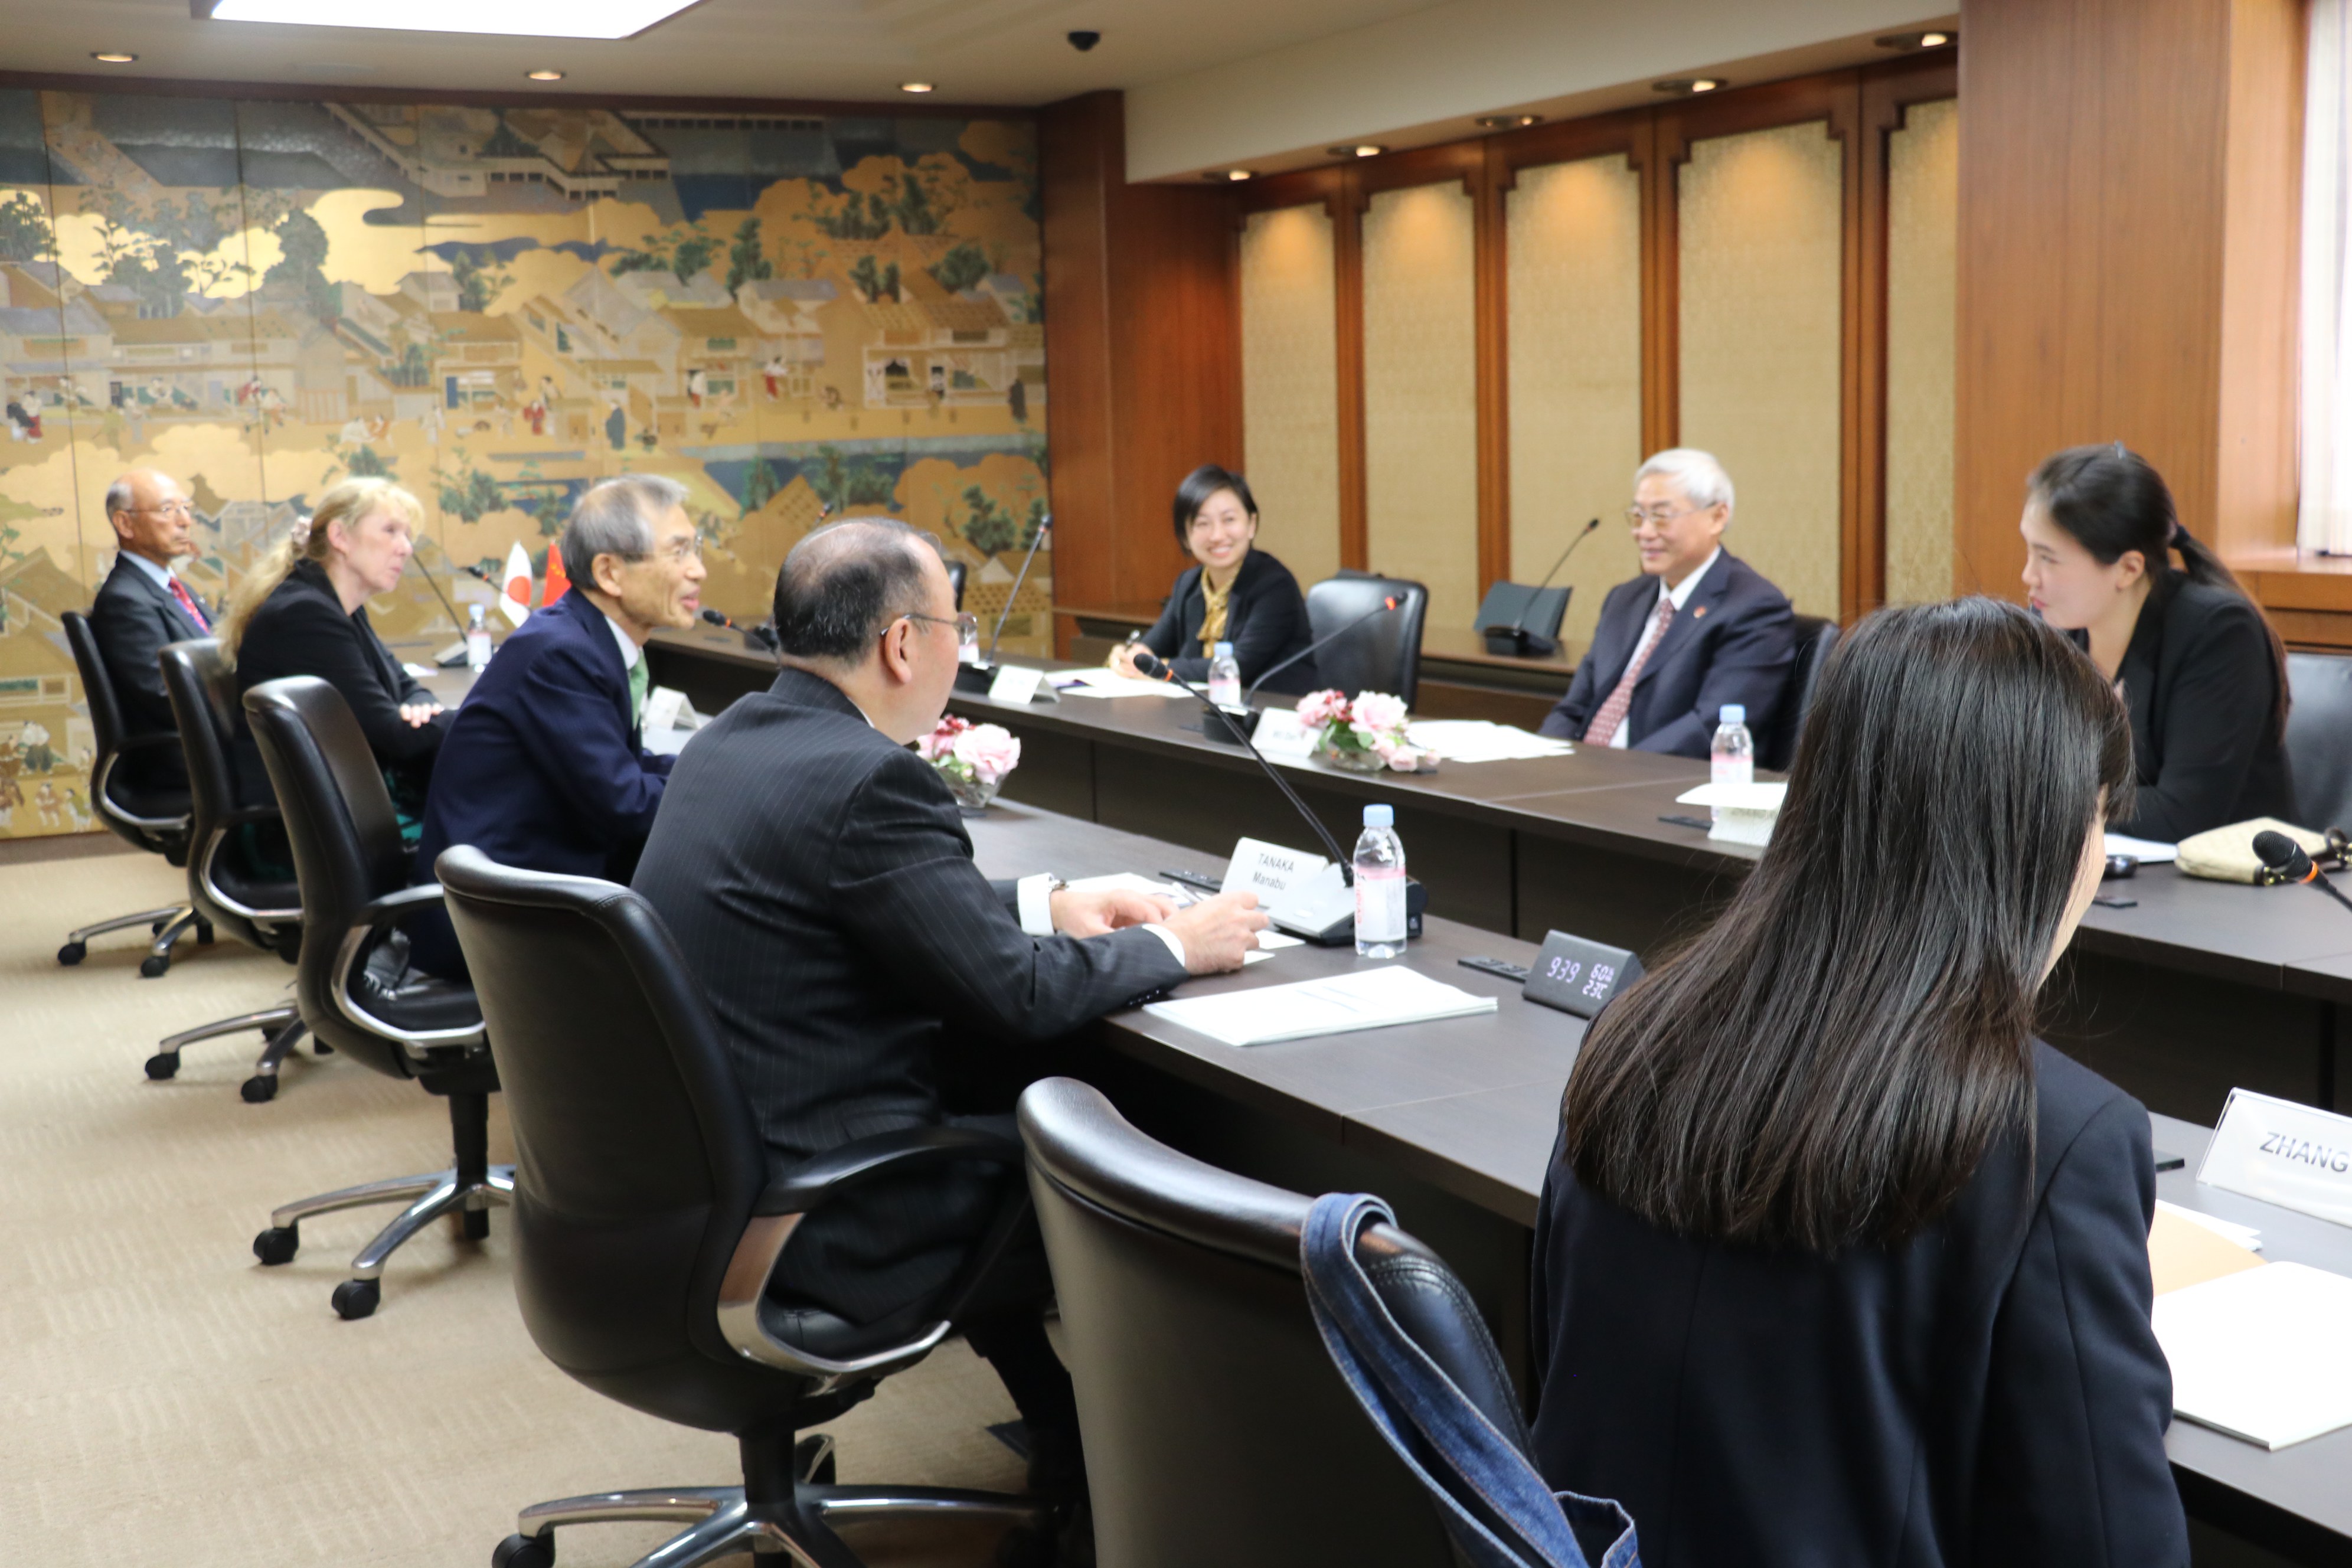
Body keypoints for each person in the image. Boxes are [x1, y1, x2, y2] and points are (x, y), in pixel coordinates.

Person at [1530, 597, 2184, 1568]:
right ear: (2040, 834)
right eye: (2097, 818)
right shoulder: (2055, 1137)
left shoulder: (1633, 1034)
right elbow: (2107, 1541)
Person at [631, 517, 1267, 1514]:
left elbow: (856, 899)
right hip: (824, 1217)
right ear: (900, 643)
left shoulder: (730, 741)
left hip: (695, 1190)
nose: (960, 648)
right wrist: (1180, 944)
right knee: (1128, 1154)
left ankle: (1065, 1439)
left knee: (999, 1104)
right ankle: (1179, 1490)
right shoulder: (871, 778)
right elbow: (1018, 997)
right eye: (955, 627)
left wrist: (1046, 903)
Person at [407, 475, 705, 980]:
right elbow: (627, 805)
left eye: (696, 549)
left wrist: (713, 768)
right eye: (678, 552)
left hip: (533, 892)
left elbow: (624, 767)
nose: (698, 570)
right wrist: (722, 794)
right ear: (609, 572)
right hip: (500, 923)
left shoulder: (584, 639)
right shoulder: (560, 654)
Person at [2021, 443, 2294, 841]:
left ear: (2128, 568)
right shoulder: (2048, 629)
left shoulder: (2219, 633)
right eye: (2029, 551)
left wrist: (2044, 800)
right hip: (2107, 866)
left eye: (2048, 558)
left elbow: (2182, 815)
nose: (2029, 575)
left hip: (2228, 874)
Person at [1536, 448, 1795, 756]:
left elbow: (1709, 727)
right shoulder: (1625, 599)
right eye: (1638, 516)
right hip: (1585, 772)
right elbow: (1574, 708)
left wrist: (1612, 771)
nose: (1644, 533)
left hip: (1658, 778)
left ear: (1717, 517)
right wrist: (1541, 760)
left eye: (1661, 517)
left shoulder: (1754, 607)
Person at [221, 478, 449, 822]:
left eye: (407, 535)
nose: (405, 548)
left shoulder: (340, 606)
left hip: (337, 802)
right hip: (301, 824)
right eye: (390, 531)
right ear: (340, 537)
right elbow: (392, 733)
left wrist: (423, 707)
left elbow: (406, 687)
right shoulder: (305, 615)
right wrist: (476, 716)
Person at [1105, 464, 1319, 695]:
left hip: (1271, 708)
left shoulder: (1275, 586)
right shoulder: (1189, 584)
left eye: (1229, 520)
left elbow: (1237, 666)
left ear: (1251, 525)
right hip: (1202, 707)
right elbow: (1151, 648)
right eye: (1202, 524)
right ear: (1185, 537)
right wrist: (1127, 657)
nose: (1217, 536)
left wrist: (1159, 669)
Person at [87, 469, 211, 796]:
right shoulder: (124, 600)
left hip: (211, 748)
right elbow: (165, 698)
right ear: (125, 524)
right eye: (168, 510)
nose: (185, 521)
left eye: (186, 508)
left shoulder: (176, 589)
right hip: (187, 762)